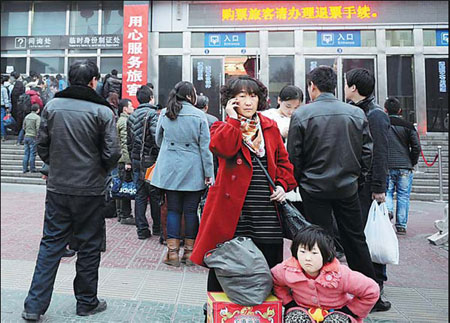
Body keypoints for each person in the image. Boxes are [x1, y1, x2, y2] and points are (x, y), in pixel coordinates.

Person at [22, 60, 121, 321]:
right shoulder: (103, 112)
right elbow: (112, 153)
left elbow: (43, 146)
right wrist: (97, 170)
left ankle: (34, 306)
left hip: (58, 188)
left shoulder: (53, 106)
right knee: (89, 246)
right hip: (90, 190)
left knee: (51, 244)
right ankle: (86, 302)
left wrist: (58, 165)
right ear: (93, 81)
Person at [287, 66, 390, 312]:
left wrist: (302, 181)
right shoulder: (355, 113)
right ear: (334, 86)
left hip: (314, 188)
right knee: (356, 239)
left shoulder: (301, 115)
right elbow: (367, 152)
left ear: (312, 86)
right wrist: (358, 179)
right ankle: (371, 295)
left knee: (318, 241)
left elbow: (294, 156)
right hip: (347, 188)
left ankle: (321, 294)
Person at [190, 76, 297, 292]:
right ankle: (217, 313)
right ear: (231, 101)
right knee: (225, 264)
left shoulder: (270, 127)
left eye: (253, 96)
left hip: (267, 211)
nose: (248, 102)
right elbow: (224, 150)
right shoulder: (221, 127)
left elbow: (284, 164)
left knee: (268, 270)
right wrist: (233, 120)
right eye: (241, 96)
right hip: (233, 214)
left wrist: (281, 186)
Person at [152, 81, 215, 267]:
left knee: (173, 209)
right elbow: (206, 148)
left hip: (170, 168)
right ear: (190, 96)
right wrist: (209, 172)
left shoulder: (165, 112)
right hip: (194, 168)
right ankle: (189, 253)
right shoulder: (199, 115)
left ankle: (172, 254)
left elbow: (158, 140)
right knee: (190, 211)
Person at [344, 68, 391, 312]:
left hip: (369, 188)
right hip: (357, 185)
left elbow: (381, 153)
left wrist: (378, 188)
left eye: (346, 84)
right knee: (361, 236)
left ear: (353, 88)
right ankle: (367, 287)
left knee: (371, 237)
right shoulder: (357, 111)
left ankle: (376, 290)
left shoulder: (376, 115)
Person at [271, 225, 379, 323]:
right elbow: (276, 281)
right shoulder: (288, 269)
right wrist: (290, 304)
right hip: (302, 310)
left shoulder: (340, 274)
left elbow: (371, 290)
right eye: (302, 252)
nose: (307, 258)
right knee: (294, 319)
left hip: (336, 311)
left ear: (326, 255)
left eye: (314, 253)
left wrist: (349, 311)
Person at [126, 85, 161, 239]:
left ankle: (142, 230)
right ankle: (158, 227)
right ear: (151, 98)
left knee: (140, 195)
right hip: (150, 159)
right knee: (154, 195)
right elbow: (156, 138)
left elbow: (128, 141)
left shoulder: (132, 116)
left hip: (136, 159)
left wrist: (132, 156)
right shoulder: (153, 114)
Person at [384, 97, 421, 235]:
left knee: (387, 192)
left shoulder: (383, 123)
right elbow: (416, 146)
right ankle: (401, 225)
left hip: (387, 164)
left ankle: (388, 212)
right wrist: (412, 161)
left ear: (385, 110)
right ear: (400, 110)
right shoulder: (408, 126)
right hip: (405, 165)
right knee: (403, 195)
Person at [115, 98, 136, 225]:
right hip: (124, 160)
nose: (133, 108)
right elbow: (124, 143)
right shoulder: (124, 122)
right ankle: (125, 215)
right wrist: (128, 161)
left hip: (121, 159)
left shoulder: (121, 120)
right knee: (125, 187)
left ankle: (120, 213)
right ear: (125, 109)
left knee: (122, 186)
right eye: (131, 106)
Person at [22, 103, 41, 173]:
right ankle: (32, 168)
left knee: (26, 153)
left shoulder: (27, 116)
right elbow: (38, 128)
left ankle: (24, 168)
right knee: (32, 153)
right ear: (38, 110)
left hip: (26, 136)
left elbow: (23, 127)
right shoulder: (37, 118)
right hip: (33, 137)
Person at [1, 75, 11, 141]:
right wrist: (7, 107)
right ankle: (3, 135)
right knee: (2, 121)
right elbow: (5, 99)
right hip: (2, 106)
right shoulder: (3, 89)